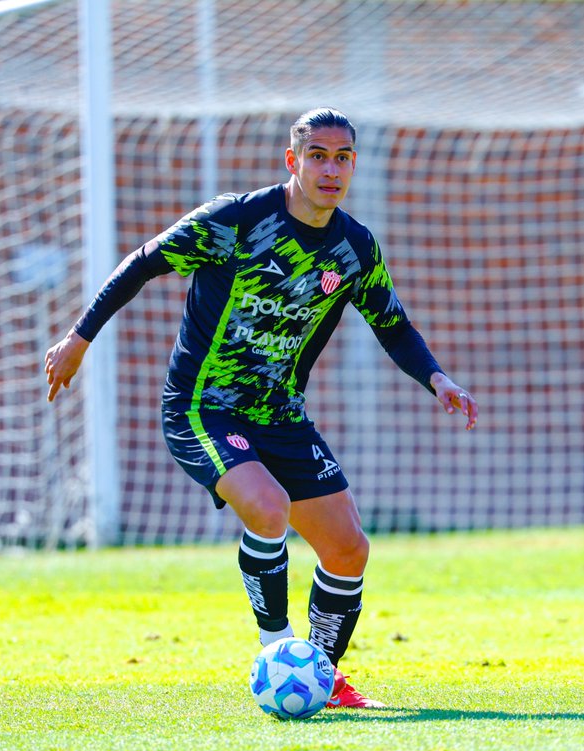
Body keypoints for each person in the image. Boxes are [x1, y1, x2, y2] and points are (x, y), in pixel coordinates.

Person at [45, 108, 478, 709]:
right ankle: (278, 651)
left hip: (280, 415)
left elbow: (393, 325)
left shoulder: (354, 248)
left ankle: (319, 677)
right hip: (204, 407)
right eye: (318, 156)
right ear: (292, 160)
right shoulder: (236, 220)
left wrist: (437, 378)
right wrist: (79, 338)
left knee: (349, 548)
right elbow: (144, 262)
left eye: (343, 158)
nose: (331, 170)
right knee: (269, 508)